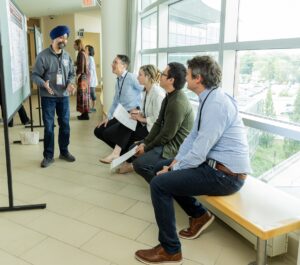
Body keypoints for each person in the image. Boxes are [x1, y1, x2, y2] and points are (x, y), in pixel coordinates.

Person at [134, 56, 252, 265]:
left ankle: (170, 250)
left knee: (160, 184)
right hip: (214, 166)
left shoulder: (216, 104)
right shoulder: (208, 98)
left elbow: (199, 151)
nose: (184, 78)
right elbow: (193, 138)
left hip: (226, 176)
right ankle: (199, 215)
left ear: (198, 79)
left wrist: (173, 170)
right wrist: (174, 163)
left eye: (188, 75)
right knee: (161, 167)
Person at [132, 62, 194, 182]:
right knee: (133, 148)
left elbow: (166, 135)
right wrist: (145, 142)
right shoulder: (169, 96)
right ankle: (161, 182)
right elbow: (158, 123)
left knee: (139, 165)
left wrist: (146, 147)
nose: (159, 76)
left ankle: (163, 186)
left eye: (163, 74)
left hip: (173, 147)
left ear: (171, 80)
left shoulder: (177, 103)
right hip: (166, 141)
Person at [99, 64, 165, 171]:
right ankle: (119, 155)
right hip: (146, 123)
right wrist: (138, 113)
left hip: (153, 129)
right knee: (128, 121)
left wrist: (141, 119)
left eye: (140, 75)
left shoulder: (157, 94)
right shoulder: (146, 91)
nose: (137, 77)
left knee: (128, 131)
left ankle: (120, 156)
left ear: (148, 77)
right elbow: (147, 112)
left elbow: (158, 120)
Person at [31, 25, 76, 168]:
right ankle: (48, 156)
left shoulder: (67, 56)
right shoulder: (43, 56)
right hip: (48, 97)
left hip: (63, 96)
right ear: (53, 38)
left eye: (66, 38)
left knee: (65, 126)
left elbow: (72, 74)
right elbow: (35, 75)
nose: (64, 40)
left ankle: (64, 151)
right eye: (61, 37)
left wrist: (70, 83)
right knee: (49, 127)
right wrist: (43, 84)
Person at [94, 54, 143, 163]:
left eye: (115, 62)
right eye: (113, 62)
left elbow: (145, 89)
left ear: (124, 65)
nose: (112, 65)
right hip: (120, 114)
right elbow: (115, 101)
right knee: (98, 130)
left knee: (108, 132)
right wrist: (108, 117)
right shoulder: (118, 81)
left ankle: (117, 154)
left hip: (131, 115)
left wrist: (140, 109)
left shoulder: (131, 77)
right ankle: (124, 154)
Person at [74, 39, 90, 120]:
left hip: (82, 77)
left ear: (78, 45)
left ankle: (85, 115)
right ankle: (84, 114)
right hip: (86, 77)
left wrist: (77, 77)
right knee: (85, 95)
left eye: (75, 44)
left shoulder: (81, 53)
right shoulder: (84, 53)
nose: (74, 46)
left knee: (82, 96)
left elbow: (81, 67)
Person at [85, 45, 98, 112]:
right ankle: (89, 107)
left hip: (91, 80)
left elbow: (91, 70)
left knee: (92, 94)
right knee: (89, 94)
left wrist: (88, 80)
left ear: (89, 51)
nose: (85, 50)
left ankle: (93, 107)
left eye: (86, 49)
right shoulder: (88, 58)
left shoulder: (90, 58)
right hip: (89, 79)